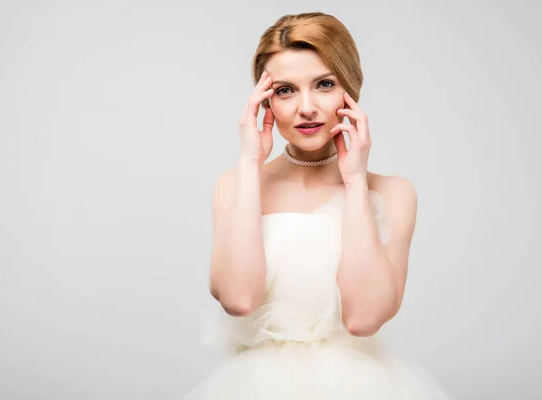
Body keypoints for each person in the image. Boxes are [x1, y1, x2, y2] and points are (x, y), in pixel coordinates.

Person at [182, 12, 455, 399]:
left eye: (324, 84)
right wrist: (249, 163)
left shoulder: (393, 193)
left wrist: (356, 181)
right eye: (285, 90)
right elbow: (239, 299)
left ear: (350, 89)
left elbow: (363, 319)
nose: (306, 108)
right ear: (265, 103)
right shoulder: (235, 186)